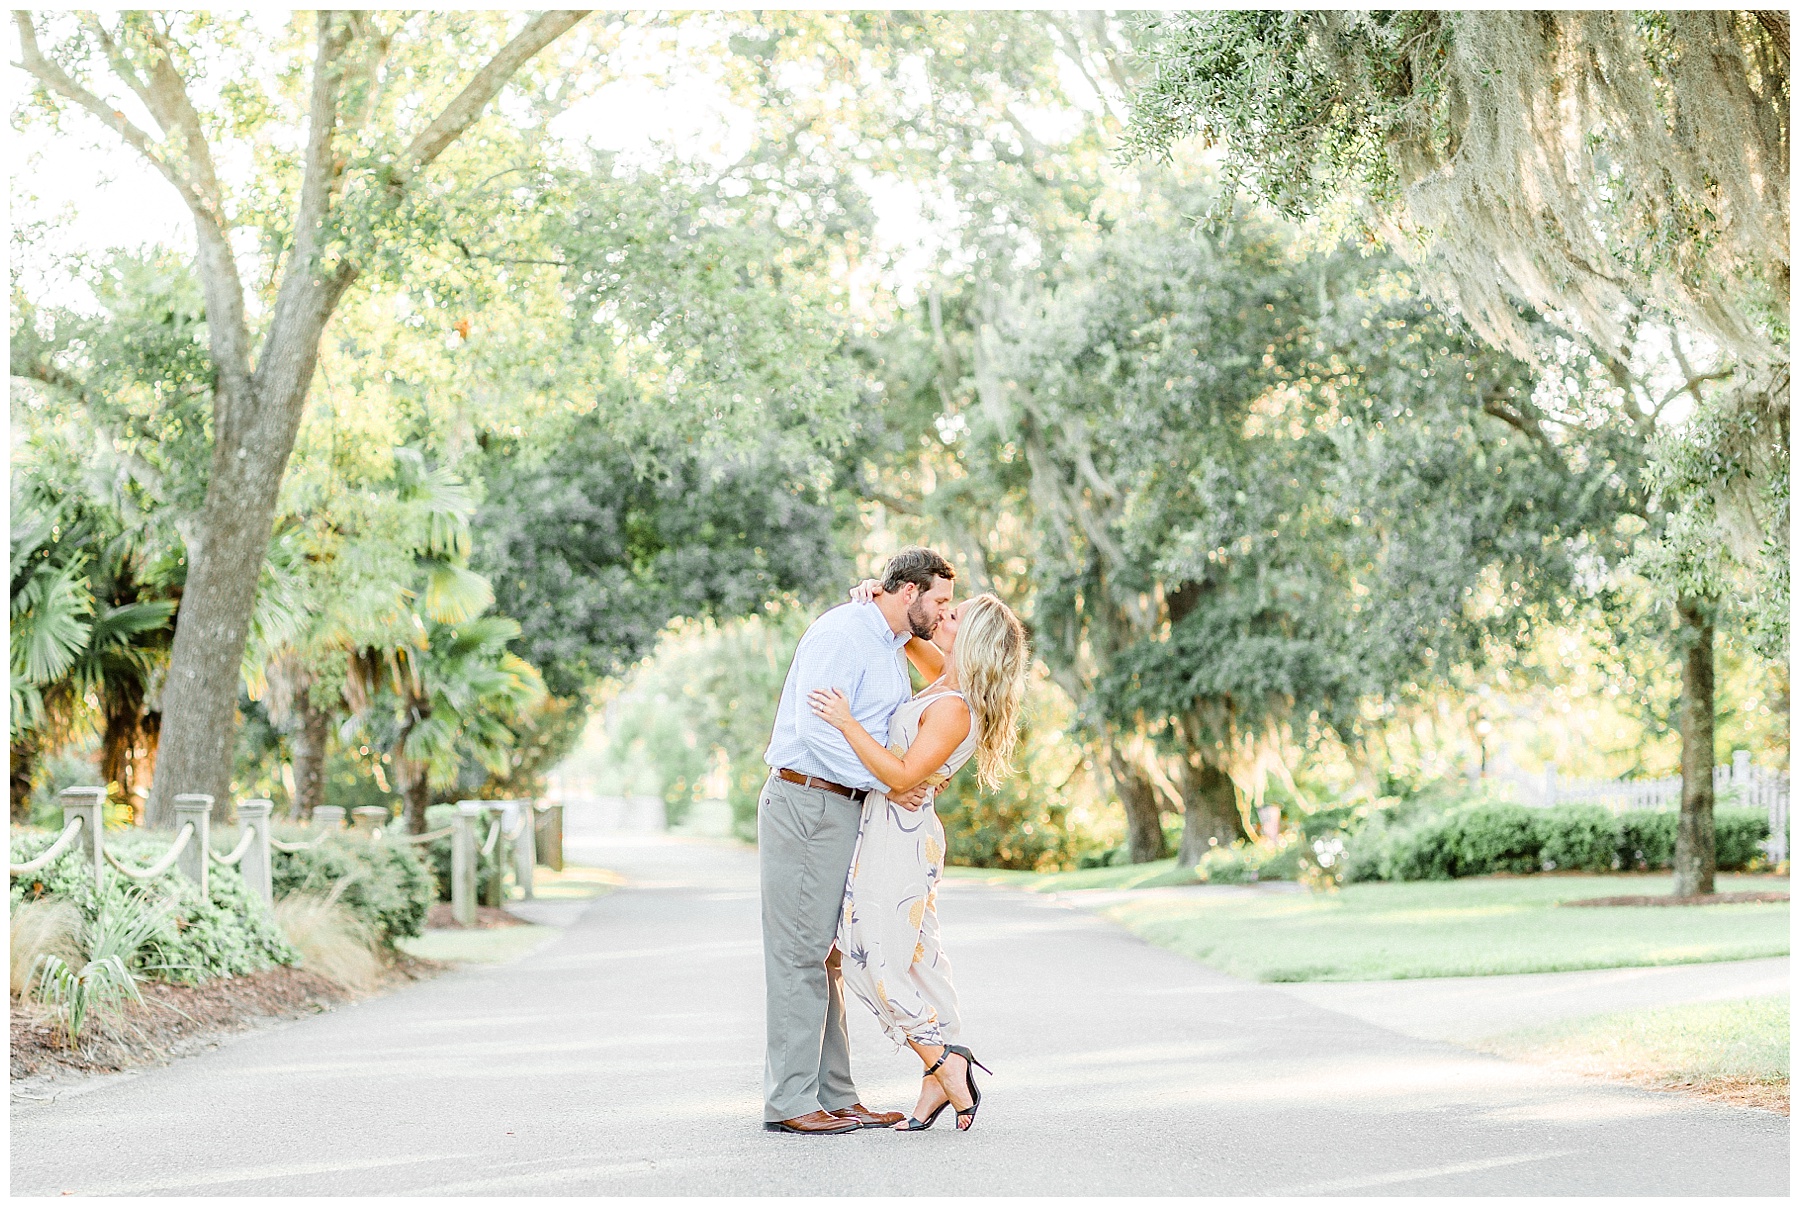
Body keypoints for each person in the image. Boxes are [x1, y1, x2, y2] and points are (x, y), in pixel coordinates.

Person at [808, 588, 1029, 1132]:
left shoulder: (954, 707)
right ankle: (940, 1069)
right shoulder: (945, 678)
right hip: (898, 831)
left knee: (867, 961)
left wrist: (845, 721)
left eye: (954, 615)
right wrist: (871, 593)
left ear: (971, 641)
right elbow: (905, 630)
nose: (942, 615)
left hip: (900, 841)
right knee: (920, 959)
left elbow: (903, 776)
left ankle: (942, 1060)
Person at [757, 547, 957, 1135]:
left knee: (829, 956)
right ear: (908, 592)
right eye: (940, 601)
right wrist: (891, 783)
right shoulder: (842, 635)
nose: (944, 614)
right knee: (799, 954)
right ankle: (792, 1102)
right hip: (808, 801)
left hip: (845, 808)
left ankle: (836, 1096)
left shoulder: (889, 644)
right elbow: (818, 734)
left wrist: (895, 782)